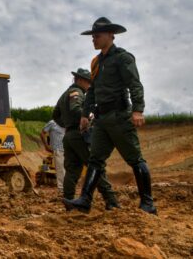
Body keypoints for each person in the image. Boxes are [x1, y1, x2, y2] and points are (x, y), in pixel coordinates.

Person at [64, 17, 157, 214]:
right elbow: (93, 90)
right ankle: (85, 200)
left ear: (110, 35)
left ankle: (148, 203)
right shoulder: (96, 62)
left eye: (97, 36)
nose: (93, 40)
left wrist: (138, 109)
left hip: (120, 117)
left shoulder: (123, 58)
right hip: (101, 120)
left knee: (135, 159)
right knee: (95, 160)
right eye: (92, 37)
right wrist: (84, 114)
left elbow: (135, 84)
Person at [53, 68, 119, 210]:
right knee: (96, 166)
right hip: (80, 135)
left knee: (72, 171)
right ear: (80, 80)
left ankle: (69, 203)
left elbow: (55, 115)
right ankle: (111, 200)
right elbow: (77, 109)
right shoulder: (77, 93)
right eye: (88, 82)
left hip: (69, 136)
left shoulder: (64, 95)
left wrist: (67, 125)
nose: (90, 86)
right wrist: (88, 118)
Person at [40, 120, 66, 196]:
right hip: (57, 150)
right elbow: (42, 133)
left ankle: (67, 189)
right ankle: (62, 190)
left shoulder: (67, 122)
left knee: (66, 170)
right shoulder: (52, 123)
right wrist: (46, 146)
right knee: (61, 170)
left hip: (67, 149)